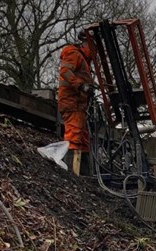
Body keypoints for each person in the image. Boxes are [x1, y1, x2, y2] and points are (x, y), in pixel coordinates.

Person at [58, 30, 96, 175]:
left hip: (79, 105)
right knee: (74, 135)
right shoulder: (73, 53)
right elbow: (65, 72)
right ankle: (70, 174)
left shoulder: (85, 61)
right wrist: (81, 86)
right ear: (86, 44)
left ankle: (85, 175)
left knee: (84, 139)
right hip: (71, 103)